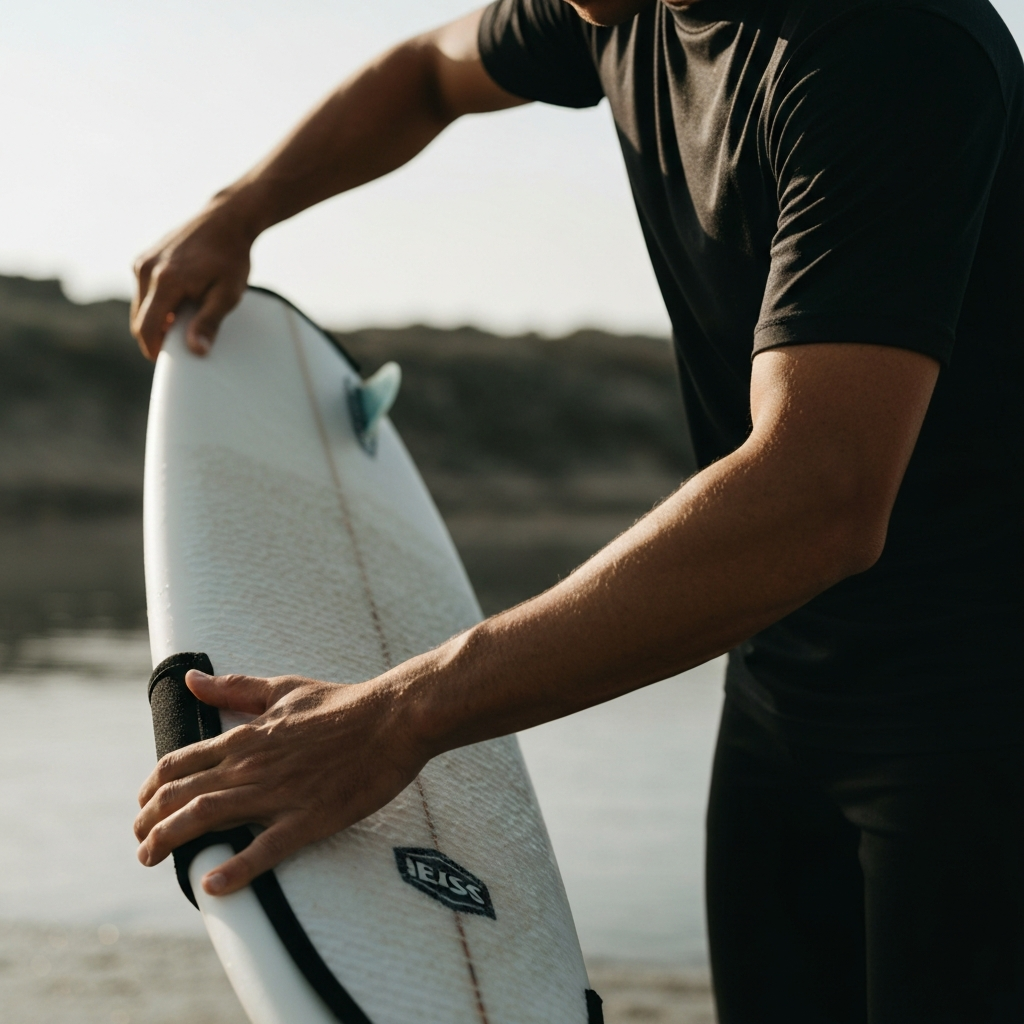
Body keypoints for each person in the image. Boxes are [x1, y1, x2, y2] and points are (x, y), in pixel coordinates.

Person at [130, 0, 1023, 1019]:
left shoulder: (892, 47)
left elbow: (820, 493)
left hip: (979, 719)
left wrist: (400, 715)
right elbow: (427, 71)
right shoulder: (617, 10)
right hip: (783, 685)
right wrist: (241, 205)